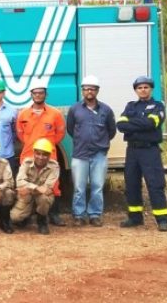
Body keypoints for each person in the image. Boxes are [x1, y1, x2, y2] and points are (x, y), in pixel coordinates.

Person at [117, 76, 167, 232]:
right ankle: (135, 218)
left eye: (146, 87)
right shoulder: (130, 106)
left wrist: (132, 124)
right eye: (139, 88)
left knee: (155, 185)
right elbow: (120, 125)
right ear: (135, 90)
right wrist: (142, 124)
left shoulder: (158, 106)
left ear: (151, 89)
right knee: (132, 184)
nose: (143, 90)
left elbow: (152, 123)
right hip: (132, 151)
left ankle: (162, 220)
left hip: (150, 150)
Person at [66, 76, 117, 227]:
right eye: (86, 88)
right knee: (79, 187)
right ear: (82, 91)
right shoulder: (75, 109)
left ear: (97, 91)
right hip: (80, 154)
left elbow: (111, 131)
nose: (89, 91)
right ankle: (79, 215)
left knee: (97, 186)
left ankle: (95, 215)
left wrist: (100, 143)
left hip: (99, 155)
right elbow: (71, 129)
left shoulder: (106, 110)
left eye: (92, 88)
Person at [16, 83, 66, 226]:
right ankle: (25, 215)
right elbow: (20, 133)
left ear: (46, 94)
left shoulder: (55, 114)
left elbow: (60, 133)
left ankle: (54, 214)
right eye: (35, 93)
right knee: (26, 184)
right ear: (31, 94)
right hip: (28, 154)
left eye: (41, 92)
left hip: (49, 155)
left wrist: (48, 147)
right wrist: (31, 144)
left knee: (53, 185)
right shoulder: (23, 114)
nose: (38, 95)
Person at [10, 139, 60, 235]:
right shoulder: (26, 163)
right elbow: (19, 182)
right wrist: (37, 188)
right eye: (38, 153)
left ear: (49, 155)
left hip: (39, 196)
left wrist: (28, 189)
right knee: (14, 218)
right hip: (27, 197)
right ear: (34, 153)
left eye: (44, 154)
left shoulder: (54, 166)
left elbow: (46, 189)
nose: (41, 157)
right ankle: (27, 215)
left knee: (44, 198)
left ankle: (42, 221)